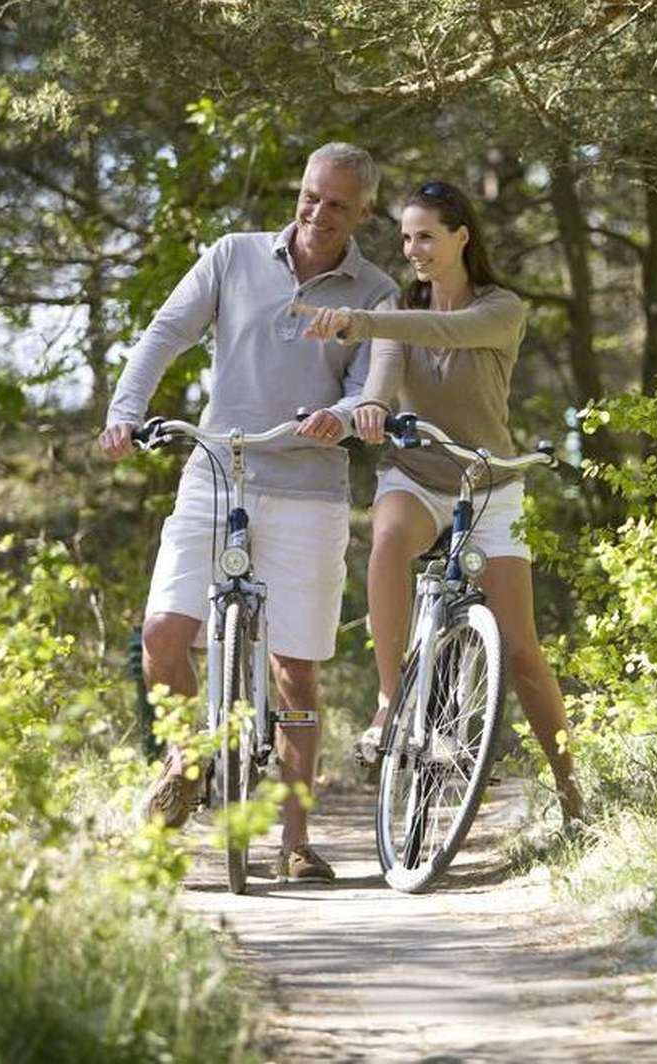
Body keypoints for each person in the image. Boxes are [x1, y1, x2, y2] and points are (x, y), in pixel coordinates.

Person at [99, 142, 397, 880]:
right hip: (216, 470)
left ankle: (294, 842)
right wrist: (125, 412)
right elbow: (166, 331)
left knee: (295, 670)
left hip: (308, 490)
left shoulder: (378, 293)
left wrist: (343, 414)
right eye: (310, 196)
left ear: (364, 212)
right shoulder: (233, 256)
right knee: (162, 635)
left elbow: (371, 386)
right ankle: (184, 758)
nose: (318, 213)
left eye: (336, 204)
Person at [299, 179, 586, 826]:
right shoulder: (400, 311)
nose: (415, 250)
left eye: (426, 236)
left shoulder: (500, 309)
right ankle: (389, 702)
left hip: (488, 485)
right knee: (390, 537)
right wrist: (366, 409)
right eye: (405, 238)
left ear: (462, 237)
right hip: (418, 475)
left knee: (521, 652)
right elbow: (380, 380)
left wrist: (360, 320)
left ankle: (573, 798)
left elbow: (446, 331)